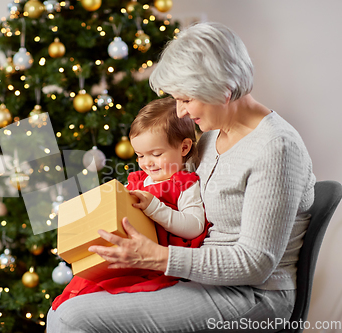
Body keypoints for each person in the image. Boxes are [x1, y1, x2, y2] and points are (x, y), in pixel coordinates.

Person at [47, 22, 316, 333]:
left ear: (222, 87)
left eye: (186, 99)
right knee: (63, 308)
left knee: (71, 319)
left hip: (254, 296)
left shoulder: (276, 148)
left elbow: (256, 264)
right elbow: (169, 191)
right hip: (200, 279)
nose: (181, 112)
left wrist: (158, 258)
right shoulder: (209, 138)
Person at [51, 97, 209, 310]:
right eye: (140, 155)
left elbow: (194, 227)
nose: (147, 163)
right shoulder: (139, 182)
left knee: (95, 301)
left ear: (184, 147)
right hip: (128, 256)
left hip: (155, 263)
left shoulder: (185, 185)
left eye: (156, 154)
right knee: (80, 289)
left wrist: (154, 207)